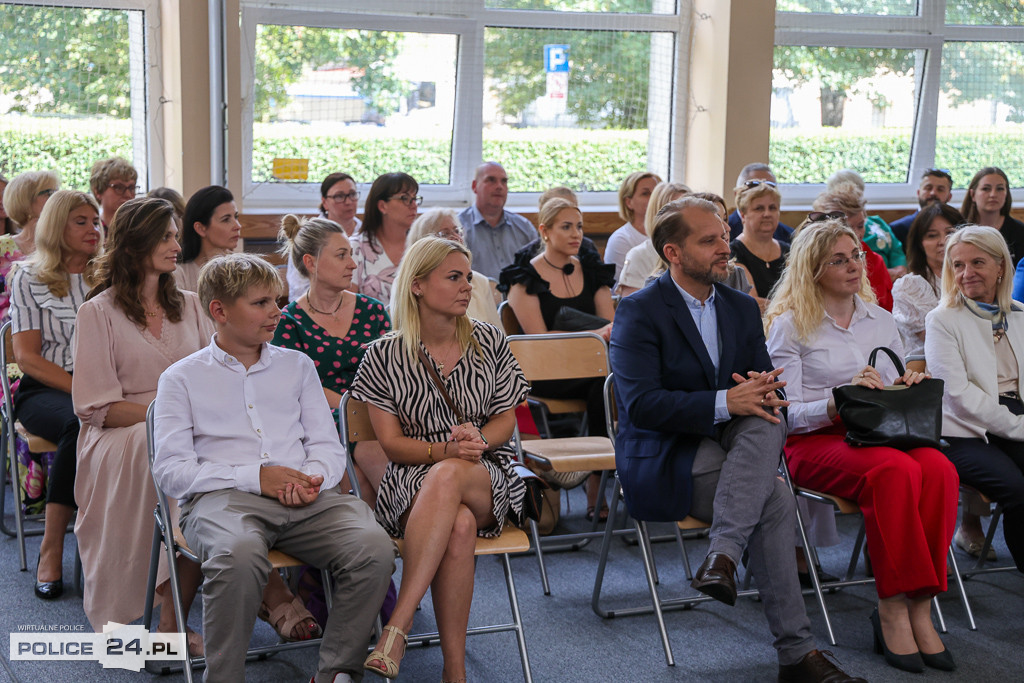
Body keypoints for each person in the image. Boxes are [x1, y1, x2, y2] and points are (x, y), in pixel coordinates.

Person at [610, 196, 863, 683]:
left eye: (723, 237)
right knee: (773, 493)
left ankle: (723, 555)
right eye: (709, 241)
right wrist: (730, 400)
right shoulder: (639, 311)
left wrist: (753, 395)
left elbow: (766, 385)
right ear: (673, 253)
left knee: (765, 413)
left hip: (736, 446)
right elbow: (641, 406)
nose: (724, 248)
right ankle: (797, 654)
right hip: (669, 453)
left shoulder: (740, 307)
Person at [153, 253, 395, 683]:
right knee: (238, 553)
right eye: (261, 303)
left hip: (305, 495)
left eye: (277, 300)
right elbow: (172, 472)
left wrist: (314, 477)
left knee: (373, 546)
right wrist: (256, 477)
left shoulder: (296, 365)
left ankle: (336, 672)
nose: (277, 312)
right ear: (219, 311)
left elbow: (326, 443)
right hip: (221, 500)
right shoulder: (181, 378)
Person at [765, 218, 959, 673]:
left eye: (855, 255)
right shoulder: (790, 326)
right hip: (813, 441)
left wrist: (906, 383)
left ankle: (921, 604)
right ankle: (892, 606)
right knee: (896, 472)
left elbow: (891, 395)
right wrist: (836, 401)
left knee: (940, 469)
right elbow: (786, 414)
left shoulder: (881, 318)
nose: (855, 265)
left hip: (881, 433)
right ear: (813, 269)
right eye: (839, 259)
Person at [350, 237, 529, 682]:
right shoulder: (383, 355)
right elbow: (390, 444)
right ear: (416, 286)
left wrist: (478, 440)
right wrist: (447, 449)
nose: (467, 287)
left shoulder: (489, 339)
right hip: (411, 478)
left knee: (452, 476)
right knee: (460, 525)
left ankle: (398, 624)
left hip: (486, 471)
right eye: (454, 277)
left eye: (467, 277)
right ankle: (455, 670)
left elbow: (507, 419)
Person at [9, 190, 102, 600]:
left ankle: (122, 545)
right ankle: (52, 546)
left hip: (103, 383)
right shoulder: (28, 276)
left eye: (96, 221)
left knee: (145, 420)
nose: (93, 229)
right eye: (80, 221)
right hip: (44, 388)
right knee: (76, 422)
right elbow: (26, 357)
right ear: (56, 226)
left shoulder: (108, 274)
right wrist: (85, 390)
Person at [499, 197, 615, 519]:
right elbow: (536, 340)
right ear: (544, 231)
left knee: (609, 380)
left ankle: (619, 471)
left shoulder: (592, 270)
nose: (576, 234)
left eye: (579, 226)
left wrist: (598, 337)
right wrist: (593, 339)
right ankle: (597, 484)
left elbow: (612, 325)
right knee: (603, 383)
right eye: (566, 227)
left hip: (594, 368)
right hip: (545, 373)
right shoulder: (524, 278)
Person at [273, 214, 392, 506]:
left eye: (351, 255)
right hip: (322, 415)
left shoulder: (372, 310)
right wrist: (351, 407)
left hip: (376, 409)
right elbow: (294, 386)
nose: (352, 264)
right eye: (342, 256)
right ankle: (408, 521)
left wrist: (368, 407)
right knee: (359, 459)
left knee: (366, 451)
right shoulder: (288, 321)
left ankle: (403, 524)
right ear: (311, 263)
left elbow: (393, 371)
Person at [926, 225, 1024, 575]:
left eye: (978, 262)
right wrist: (1018, 426)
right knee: (1016, 488)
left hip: (1015, 416)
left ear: (1001, 266)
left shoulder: (1020, 313)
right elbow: (958, 396)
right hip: (962, 431)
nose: (967, 274)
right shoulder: (942, 320)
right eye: (957, 265)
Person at [891, 202, 963, 359]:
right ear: (920, 244)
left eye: (950, 233)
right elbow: (935, 339)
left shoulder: (971, 278)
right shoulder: (909, 286)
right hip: (925, 369)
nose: (943, 241)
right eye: (932, 235)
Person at [407, 208, 500, 327]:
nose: (456, 238)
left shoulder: (481, 282)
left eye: (457, 231)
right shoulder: (406, 282)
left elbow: (500, 335)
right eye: (445, 234)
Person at [810, 183, 894, 311]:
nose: (857, 234)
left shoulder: (876, 262)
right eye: (847, 227)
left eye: (860, 226)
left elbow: (887, 311)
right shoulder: (810, 262)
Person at [287, 173, 363, 302]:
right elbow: (298, 289)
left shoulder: (365, 232)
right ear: (325, 202)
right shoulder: (310, 236)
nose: (349, 201)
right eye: (339, 196)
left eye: (352, 194)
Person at [349, 172, 418, 308]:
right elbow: (347, 304)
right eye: (405, 198)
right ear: (382, 206)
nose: (414, 205)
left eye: (415, 198)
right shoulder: (356, 247)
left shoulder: (421, 246)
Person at [458, 162, 536, 281]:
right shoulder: (458, 228)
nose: (499, 186)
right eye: (491, 180)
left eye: (504, 181)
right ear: (474, 186)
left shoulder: (524, 227)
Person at [827, 169, 906, 280]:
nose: (857, 233)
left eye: (860, 226)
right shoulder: (829, 231)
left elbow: (896, 249)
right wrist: (884, 274)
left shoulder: (878, 222)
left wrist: (900, 269)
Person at [1, 171, 60, 320]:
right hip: (7, 333)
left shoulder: (62, 246)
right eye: (49, 193)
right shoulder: (2, 247)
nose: (57, 199)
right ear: (26, 200)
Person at [616, 181, 691, 296]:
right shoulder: (639, 256)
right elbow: (632, 310)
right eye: (678, 213)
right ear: (659, 215)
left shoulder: (698, 251)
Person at [731, 180, 789, 307]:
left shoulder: (788, 251)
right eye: (759, 208)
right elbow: (751, 302)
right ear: (743, 215)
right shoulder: (733, 253)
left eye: (772, 208)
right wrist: (790, 306)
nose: (767, 214)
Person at [175, 185, 241, 292]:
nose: (238, 226)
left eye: (236, 217)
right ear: (200, 228)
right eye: (226, 220)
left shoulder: (243, 268)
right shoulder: (180, 273)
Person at [961, 166, 1024, 268]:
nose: (993, 194)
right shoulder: (959, 230)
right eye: (986, 189)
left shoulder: (1020, 231)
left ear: (1006, 194)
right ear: (973, 195)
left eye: (1000, 189)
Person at [604, 171, 662, 282]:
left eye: (657, 192)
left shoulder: (669, 233)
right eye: (645, 193)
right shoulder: (621, 239)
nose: (654, 198)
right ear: (629, 202)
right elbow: (619, 287)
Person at [727, 163, 793, 242]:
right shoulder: (723, 233)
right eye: (755, 187)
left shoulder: (790, 236)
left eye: (770, 187)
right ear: (737, 194)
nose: (764, 192)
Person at [890, 168, 954, 246]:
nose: (933, 193)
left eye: (940, 189)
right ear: (918, 193)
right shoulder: (898, 228)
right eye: (928, 188)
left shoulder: (957, 227)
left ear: (949, 197)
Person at [89, 157, 139, 229]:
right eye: (119, 187)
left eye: (131, 188)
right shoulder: (93, 231)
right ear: (98, 192)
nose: (128, 195)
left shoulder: (141, 229)